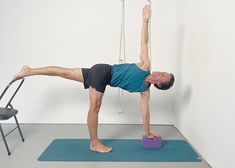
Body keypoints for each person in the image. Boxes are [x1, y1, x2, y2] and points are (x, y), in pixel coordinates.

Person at [13, 5, 174, 153]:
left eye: (163, 75)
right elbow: (143, 43)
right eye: (164, 72)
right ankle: (94, 143)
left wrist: (147, 133)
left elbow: (145, 114)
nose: (161, 72)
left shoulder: (145, 91)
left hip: (99, 72)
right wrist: (145, 21)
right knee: (95, 108)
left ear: (159, 83)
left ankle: (29, 71)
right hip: (104, 72)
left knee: (64, 72)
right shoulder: (145, 65)